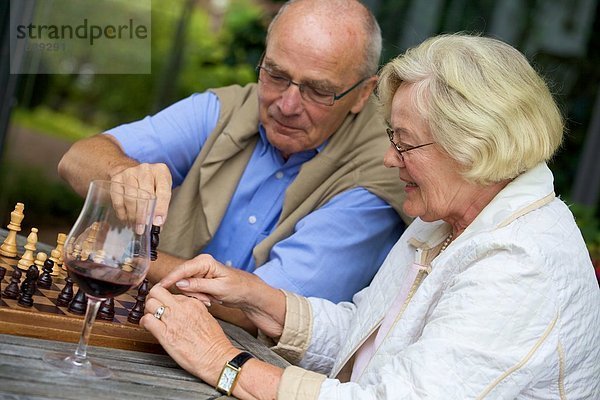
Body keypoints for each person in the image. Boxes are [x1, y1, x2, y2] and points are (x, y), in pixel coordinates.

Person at [140, 33, 600, 399]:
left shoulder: (523, 264)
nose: (388, 158)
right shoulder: (443, 218)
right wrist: (256, 296)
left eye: (404, 142)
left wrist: (225, 362)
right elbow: (363, 338)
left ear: (473, 147)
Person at [57, 0, 408, 304]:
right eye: (276, 75)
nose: (286, 105)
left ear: (363, 93)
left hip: (255, 368)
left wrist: (131, 256)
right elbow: (77, 159)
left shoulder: (380, 170)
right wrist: (121, 174)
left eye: (317, 90)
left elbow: (266, 304)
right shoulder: (224, 109)